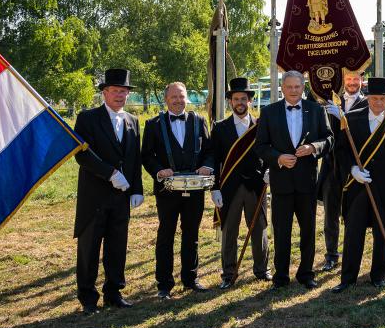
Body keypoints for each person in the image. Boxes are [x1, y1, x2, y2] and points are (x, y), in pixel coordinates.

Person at [72, 68, 144, 314]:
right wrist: (110, 173)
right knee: (89, 248)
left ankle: (113, 293)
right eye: (115, 91)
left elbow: (134, 159)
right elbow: (82, 155)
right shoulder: (87, 118)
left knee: (117, 246)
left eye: (123, 91)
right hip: (94, 196)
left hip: (121, 197)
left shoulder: (132, 121)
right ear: (104, 92)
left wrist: (137, 189)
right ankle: (88, 298)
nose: (119, 95)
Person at [254, 70, 334, 289]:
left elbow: (329, 139)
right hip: (281, 183)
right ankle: (281, 277)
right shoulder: (269, 112)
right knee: (281, 232)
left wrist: (313, 147)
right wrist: (278, 158)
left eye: (297, 86)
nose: (293, 91)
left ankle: (306, 274)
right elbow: (260, 146)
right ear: (282, 88)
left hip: (307, 182)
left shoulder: (316, 110)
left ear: (303, 86)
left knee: (308, 231)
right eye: (289, 87)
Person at [331, 77, 385, 293]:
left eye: (382, 99)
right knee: (353, 232)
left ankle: (378, 275)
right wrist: (352, 170)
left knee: (383, 231)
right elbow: (341, 151)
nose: (378, 103)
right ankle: (348, 278)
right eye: (374, 98)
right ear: (367, 98)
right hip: (358, 186)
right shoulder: (351, 119)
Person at [141, 82, 215, 298]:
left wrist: (207, 166)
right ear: (166, 99)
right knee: (166, 234)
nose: (178, 100)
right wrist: (159, 170)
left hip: (195, 189)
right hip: (167, 190)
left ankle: (190, 279)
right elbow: (147, 155)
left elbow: (210, 151)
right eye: (174, 97)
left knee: (192, 233)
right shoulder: (153, 124)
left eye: (181, 96)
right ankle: (164, 284)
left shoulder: (199, 120)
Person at [211, 77, 270, 289]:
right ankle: (228, 273)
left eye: (243, 99)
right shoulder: (220, 128)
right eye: (236, 99)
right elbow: (214, 160)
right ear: (230, 102)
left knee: (259, 229)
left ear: (250, 101)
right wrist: (214, 188)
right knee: (229, 231)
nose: (240, 103)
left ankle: (262, 269)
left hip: (256, 185)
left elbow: (268, 152)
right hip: (230, 188)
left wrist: (270, 170)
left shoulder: (261, 126)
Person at [318, 69, 368, 272]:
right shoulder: (331, 101)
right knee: (331, 213)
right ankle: (331, 254)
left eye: (356, 79)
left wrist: (343, 117)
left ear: (362, 80)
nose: (352, 82)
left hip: (354, 166)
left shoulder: (367, 103)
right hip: (332, 166)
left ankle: (350, 253)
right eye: (349, 79)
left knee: (353, 214)